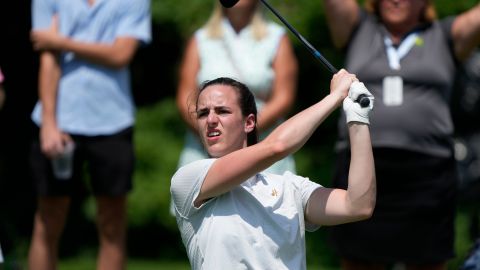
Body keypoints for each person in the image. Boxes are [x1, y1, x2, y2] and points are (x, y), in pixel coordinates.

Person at [321, 0, 480, 269]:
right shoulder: (358, 28)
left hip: (427, 172)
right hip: (363, 165)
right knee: (359, 259)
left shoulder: (443, 34)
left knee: (426, 260)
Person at [170, 72, 376, 269]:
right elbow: (276, 147)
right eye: (203, 113)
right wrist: (335, 97)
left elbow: (358, 205)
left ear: (249, 123)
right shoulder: (189, 180)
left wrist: (358, 118)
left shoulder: (291, 187)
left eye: (222, 111)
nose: (211, 120)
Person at [28, 0, 151, 269]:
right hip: (59, 121)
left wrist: (62, 42)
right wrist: (49, 122)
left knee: (112, 224)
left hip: (113, 120)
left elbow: (121, 55)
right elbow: (48, 58)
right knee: (48, 220)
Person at [176, 0, 298, 175]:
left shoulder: (276, 37)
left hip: (262, 147)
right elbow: (184, 98)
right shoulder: (200, 39)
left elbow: (283, 98)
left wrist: (243, 132)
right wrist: (214, 135)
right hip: (203, 151)